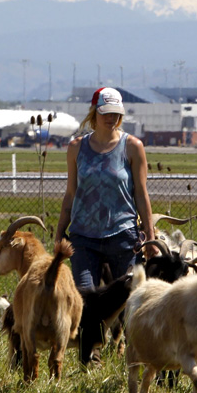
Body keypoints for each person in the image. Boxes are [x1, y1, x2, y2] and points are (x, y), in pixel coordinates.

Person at [56, 87, 157, 289]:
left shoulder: (132, 146)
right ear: (95, 112)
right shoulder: (77, 148)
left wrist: (150, 237)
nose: (111, 117)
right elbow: (71, 194)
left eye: (116, 113)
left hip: (122, 236)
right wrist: (59, 233)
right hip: (83, 237)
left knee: (127, 300)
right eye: (106, 112)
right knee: (85, 298)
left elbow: (140, 193)